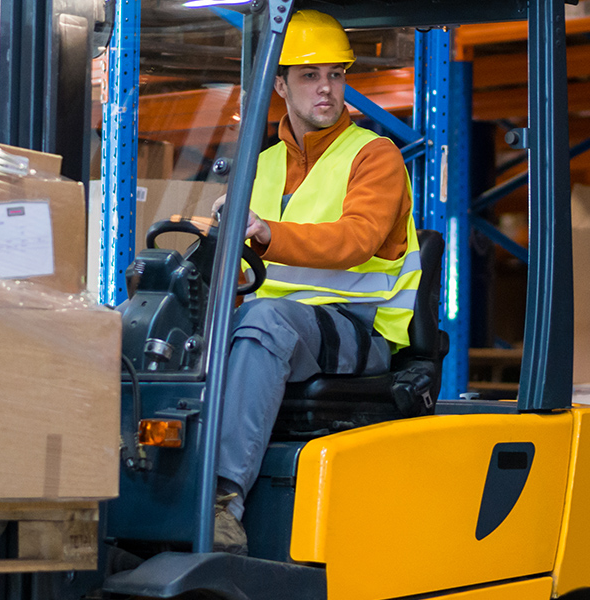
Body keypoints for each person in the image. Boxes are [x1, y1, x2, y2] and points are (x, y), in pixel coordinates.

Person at [208, 9, 420, 555]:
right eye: (309, 75)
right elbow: (246, 267)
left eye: (336, 74)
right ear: (279, 85)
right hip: (284, 327)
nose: (326, 89)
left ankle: (221, 500)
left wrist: (264, 232)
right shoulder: (263, 165)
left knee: (262, 323)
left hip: (359, 332)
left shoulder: (374, 156)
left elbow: (356, 240)